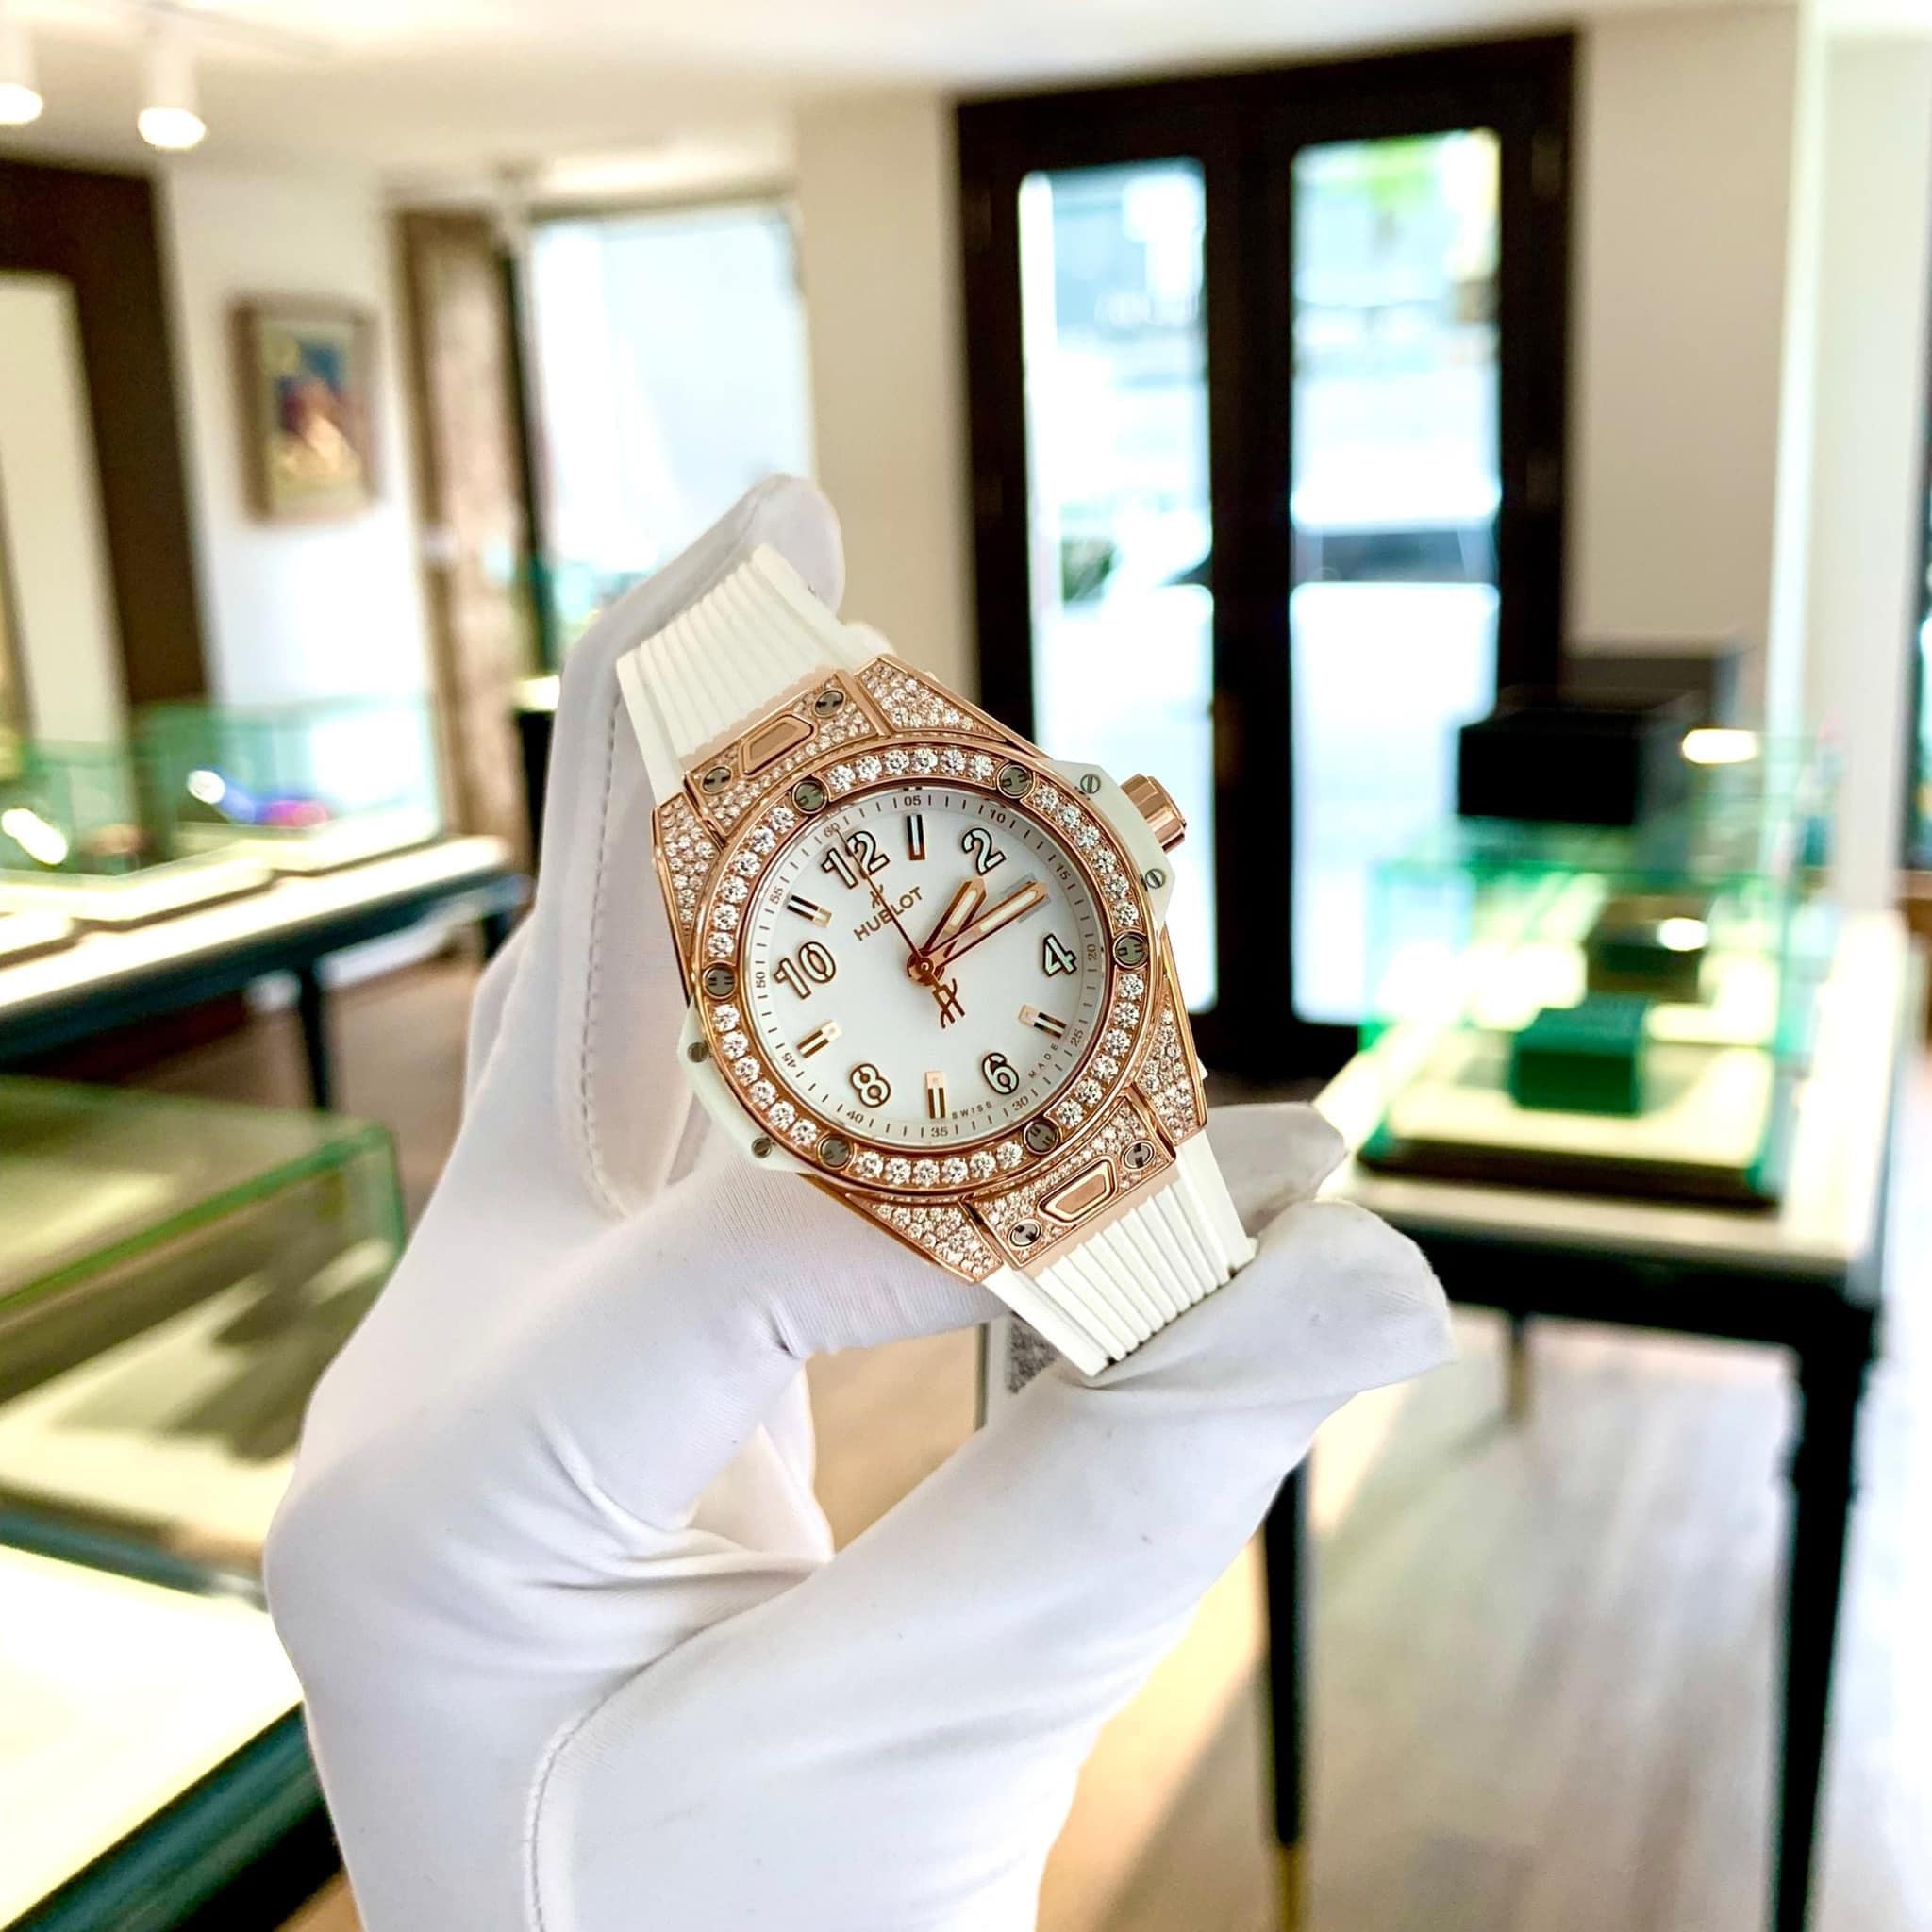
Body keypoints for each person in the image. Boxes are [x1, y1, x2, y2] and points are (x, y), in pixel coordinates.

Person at [264, 478, 1451, 1930]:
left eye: (956, 942)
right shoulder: (822, 983)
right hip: (934, 1109)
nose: (934, 975)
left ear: (1110, 840)